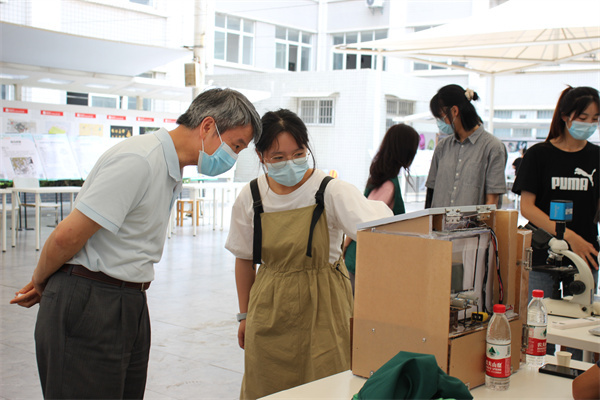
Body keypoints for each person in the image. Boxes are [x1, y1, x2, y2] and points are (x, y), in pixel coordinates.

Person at [9, 88, 262, 399]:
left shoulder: (170, 168)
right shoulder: (140, 159)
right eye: (235, 146)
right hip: (90, 299)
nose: (233, 157)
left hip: (127, 300)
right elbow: (67, 235)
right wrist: (41, 281)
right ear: (208, 126)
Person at [225, 109, 392, 399]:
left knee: (328, 384)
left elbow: (382, 230)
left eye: (298, 153)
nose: (290, 163)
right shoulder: (251, 195)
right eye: (278, 157)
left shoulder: (331, 191)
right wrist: (245, 315)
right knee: (266, 385)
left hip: (325, 304)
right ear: (261, 156)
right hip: (269, 305)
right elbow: (244, 259)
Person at [511, 86, 599, 299]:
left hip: (584, 253)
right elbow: (527, 208)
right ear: (564, 116)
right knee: (537, 313)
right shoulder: (538, 155)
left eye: (595, 119)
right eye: (583, 118)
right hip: (542, 253)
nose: (589, 124)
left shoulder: (596, 156)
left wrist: (579, 241)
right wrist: (569, 237)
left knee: (581, 314)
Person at [343, 123, 419, 290]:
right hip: (365, 260)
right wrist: (346, 246)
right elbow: (363, 221)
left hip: (359, 258)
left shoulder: (381, 180)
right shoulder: (388, 185)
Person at [425, 84, 507, 208]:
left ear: (454, 111)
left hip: (474, 221)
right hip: (439, 220)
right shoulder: (442, 147)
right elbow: (431, 191)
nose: (440, 123)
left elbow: (492, 202)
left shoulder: (493, 148)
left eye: (441, 117)